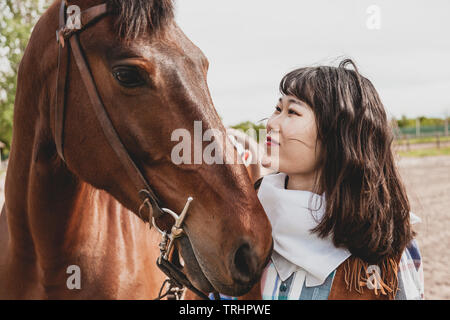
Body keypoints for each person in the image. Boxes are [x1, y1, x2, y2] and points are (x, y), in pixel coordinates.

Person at [253, 59, 424, 300]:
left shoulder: (388, 255)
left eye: (292, 112)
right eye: (278, 109)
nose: (271, 123)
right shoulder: (246, 232)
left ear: (339, 136)